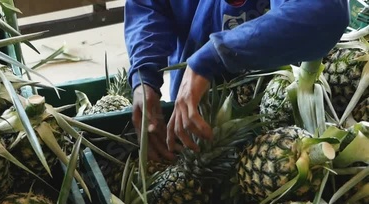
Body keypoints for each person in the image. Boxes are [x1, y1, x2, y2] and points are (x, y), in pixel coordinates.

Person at [124, 0, 349, 162]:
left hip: (283, 132)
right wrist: (144, 75)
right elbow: (148, 5)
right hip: (192, 115)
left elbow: (327, 9)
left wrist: (214, 55)